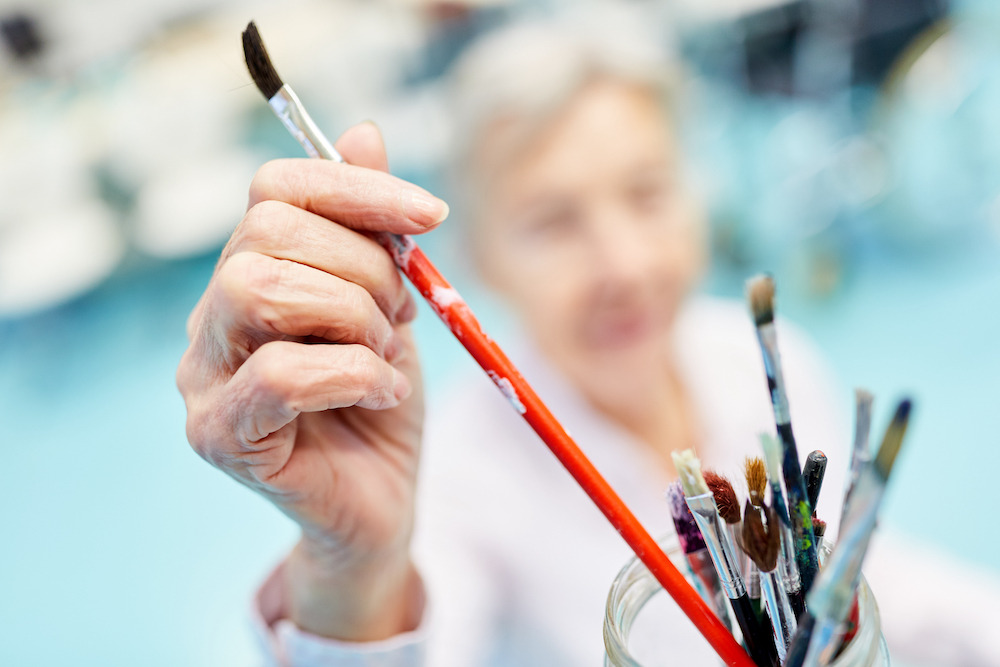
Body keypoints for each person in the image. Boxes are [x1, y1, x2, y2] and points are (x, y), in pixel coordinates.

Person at [176, 12, 1000, 667]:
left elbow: (862, 581)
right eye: (553, 222)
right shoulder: (460, 478)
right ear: (482, 253)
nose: (623, 264)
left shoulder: (756, 353)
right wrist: (352, 562)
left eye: (646, 193)